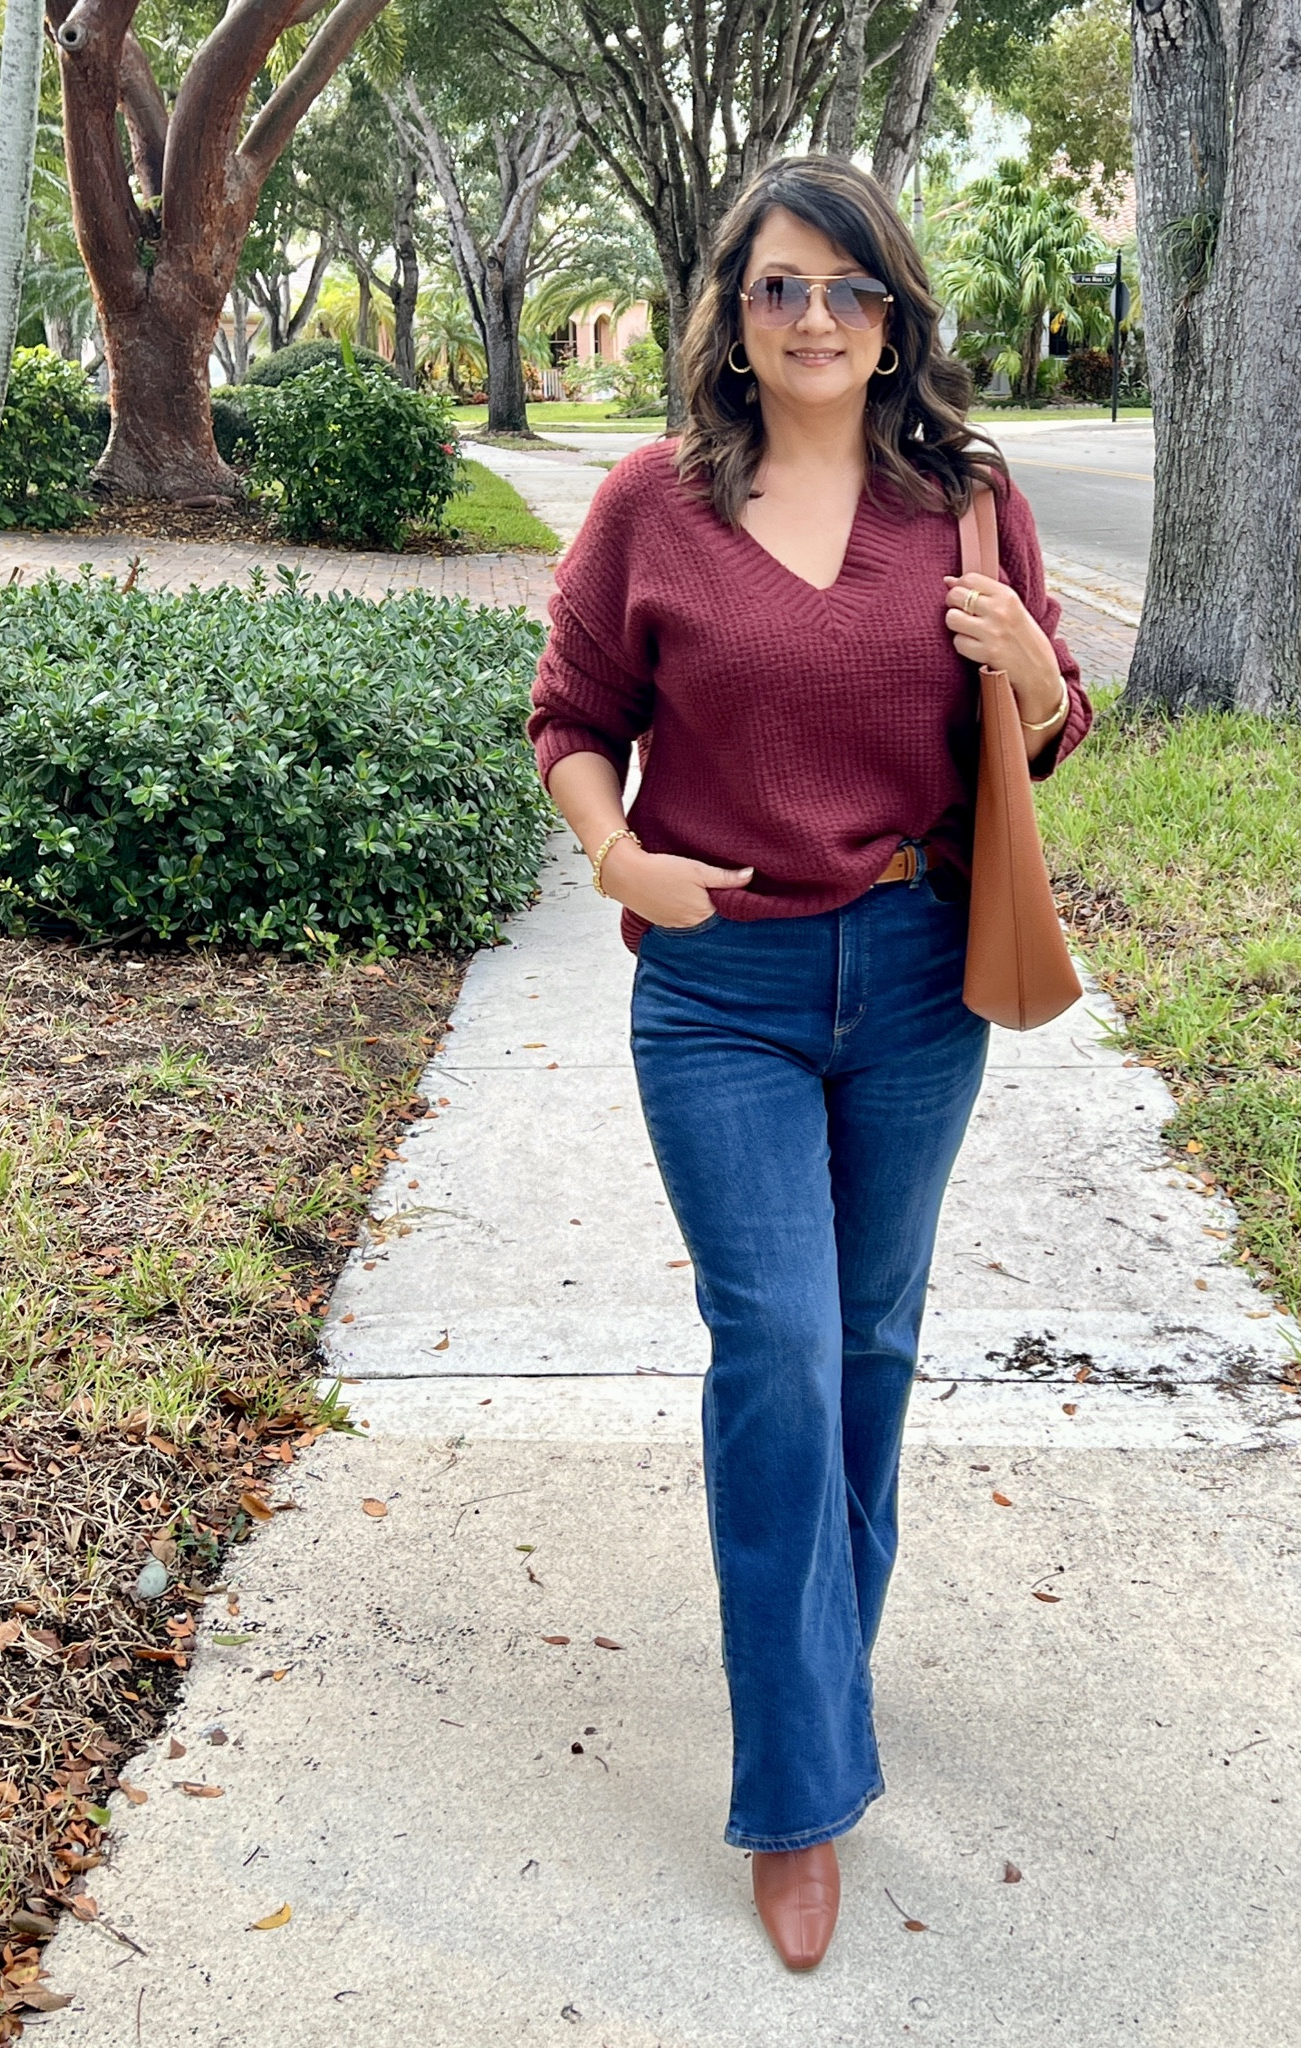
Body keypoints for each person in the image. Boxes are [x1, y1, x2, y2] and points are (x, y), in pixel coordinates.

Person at [528, 153, 1091, 1972]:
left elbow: (1049, 733)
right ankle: (797, 1785)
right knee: (773, 1344)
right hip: (721, 993)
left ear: (897, 313)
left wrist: (1022, 666)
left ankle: (815, 1686)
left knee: (868, 1342)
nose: (819, 321)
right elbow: (571, 716)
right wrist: (620, 861)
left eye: (851, 291)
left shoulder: (966, 505)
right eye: (781, 288)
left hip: (918, 977)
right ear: (731, 311)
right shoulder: (653, 507)